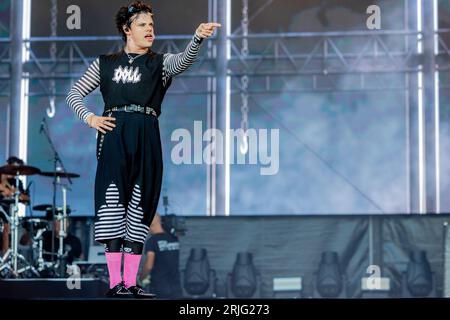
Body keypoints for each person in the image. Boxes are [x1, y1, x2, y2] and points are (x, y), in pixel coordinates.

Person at [65, 1, 220, 298]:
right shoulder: (105, 64)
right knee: (113, 207)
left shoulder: (159, 63)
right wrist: (90, 118)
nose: (150, 29)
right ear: (127, 29)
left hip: (147, 133)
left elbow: (184, 60)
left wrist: (197, 37)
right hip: (114, 135)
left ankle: (131, 282)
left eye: (152, 24)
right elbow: (75, 93)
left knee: (140, 209)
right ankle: (115, 284)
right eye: (142, 24)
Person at [139, 213, 182, 299]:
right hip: (176, 288)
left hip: (159, 288)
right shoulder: (173, 238)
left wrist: (141, 278)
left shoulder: (152, 241)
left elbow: (149, 265)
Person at [0, 156, 30, 255]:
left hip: (8, 213)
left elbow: (26, 199)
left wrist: (18, 194)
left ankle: (10, 256)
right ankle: (5, 256)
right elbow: (4, 191)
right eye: (13, 168)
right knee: (6, 224)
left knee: (11, 224)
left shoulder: (17, 182)